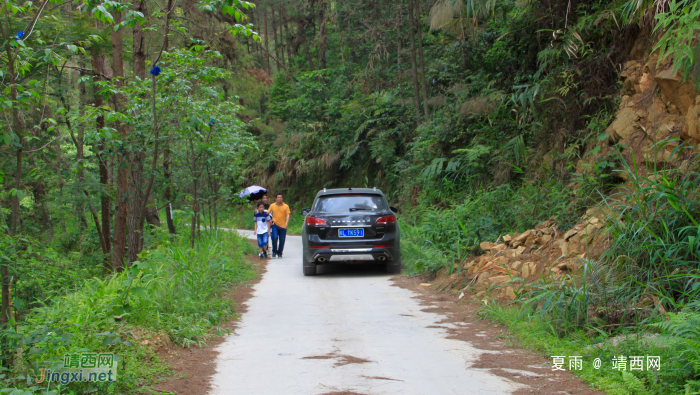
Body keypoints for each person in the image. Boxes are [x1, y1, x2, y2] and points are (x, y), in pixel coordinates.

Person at [268, 193, 291, 258]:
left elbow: (288, 214)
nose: (280, 198)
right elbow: (268, 213)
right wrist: (270, 219)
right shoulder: (272, 205)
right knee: (274, 238)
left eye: (281, 197)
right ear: (276, 198)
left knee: (282, 240)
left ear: (282, 198)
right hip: (275, 224)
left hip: (283, 226)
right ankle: (274, 251)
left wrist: (286, 222)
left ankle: (280, 253)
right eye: (278, 197)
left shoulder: (286, 206)